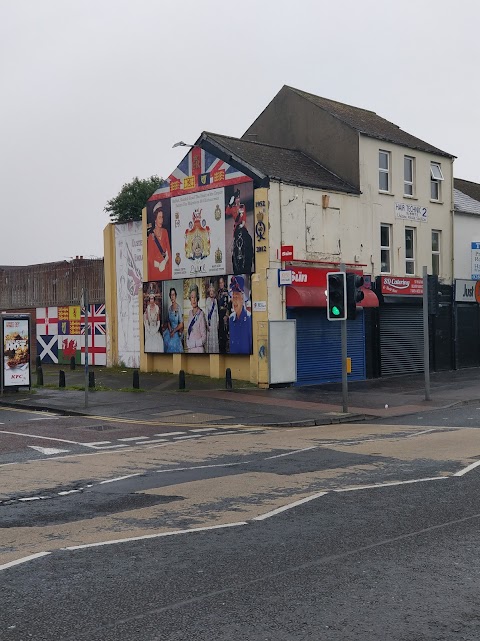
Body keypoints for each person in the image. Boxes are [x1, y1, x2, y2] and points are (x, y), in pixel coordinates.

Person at [225, 189, 253, 274]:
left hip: (242, 225)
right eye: (237, 198)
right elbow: (226, 212)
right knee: (235, 243)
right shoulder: (233, 208)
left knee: (249, 239)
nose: (238, 199)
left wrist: (243, 224)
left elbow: (244, 217)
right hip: (237, 226)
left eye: (239, 198)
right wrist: (229, 204)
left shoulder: (242, 206)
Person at [147, 201, 172, 280]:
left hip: (165, 269)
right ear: (155, 219)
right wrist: (159, 265)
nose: (161, 220)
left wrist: (164, 263)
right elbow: (150, 258)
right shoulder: (151, 236)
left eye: (162, 217)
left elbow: (168, 252)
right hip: (156, 271)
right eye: (159, 217)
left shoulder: (165, 232)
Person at [228, 275, 252, 354]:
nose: (234, 301)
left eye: (237, 297)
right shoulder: (231, 318)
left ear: (242, 299)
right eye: (233, 297)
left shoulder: (249, 318)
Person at [186, 283, 207, 353]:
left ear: (197, 298)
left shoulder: (201, 314)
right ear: (190, 299)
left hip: (198, 350)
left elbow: (204, 338)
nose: (194, 300)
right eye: (192, 297)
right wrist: (187, 342)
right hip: (190, 350)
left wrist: (193, 344)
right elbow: (188, 333)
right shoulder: (189, 313)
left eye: (195, 297)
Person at [163, 287, 184, 353]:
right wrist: (170, 330)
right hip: (170, 330)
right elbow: (168, 321)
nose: (172, 297)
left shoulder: (179, 308)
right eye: (171, 295)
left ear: (176, 296)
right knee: (165, 341)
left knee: (172, 344)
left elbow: (181, 324)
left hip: (176, 331)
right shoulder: (169, 309)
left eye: (173, 295)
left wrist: (174, 331)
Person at [217, 276, 230, 353]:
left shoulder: (227, 292)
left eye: (222, 282)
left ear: (224, 283)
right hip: (219, 314)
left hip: (224, 314)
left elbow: (228, 305)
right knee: (220, 334)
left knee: (225, 334)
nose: (221, 284)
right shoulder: (218, 292)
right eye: (220, 283)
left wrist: (226, 315)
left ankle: (225, 350)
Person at [205, 282, 219, 353]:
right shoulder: (207, 300)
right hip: (210, 322)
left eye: (212, 291)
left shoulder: (215, 301)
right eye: (210, 291)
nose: (211, 292)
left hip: (214, 321)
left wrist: (218, 321)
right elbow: (207, 312)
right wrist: (207, 323)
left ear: (214, 292)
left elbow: (217, 313)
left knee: (215, 337)